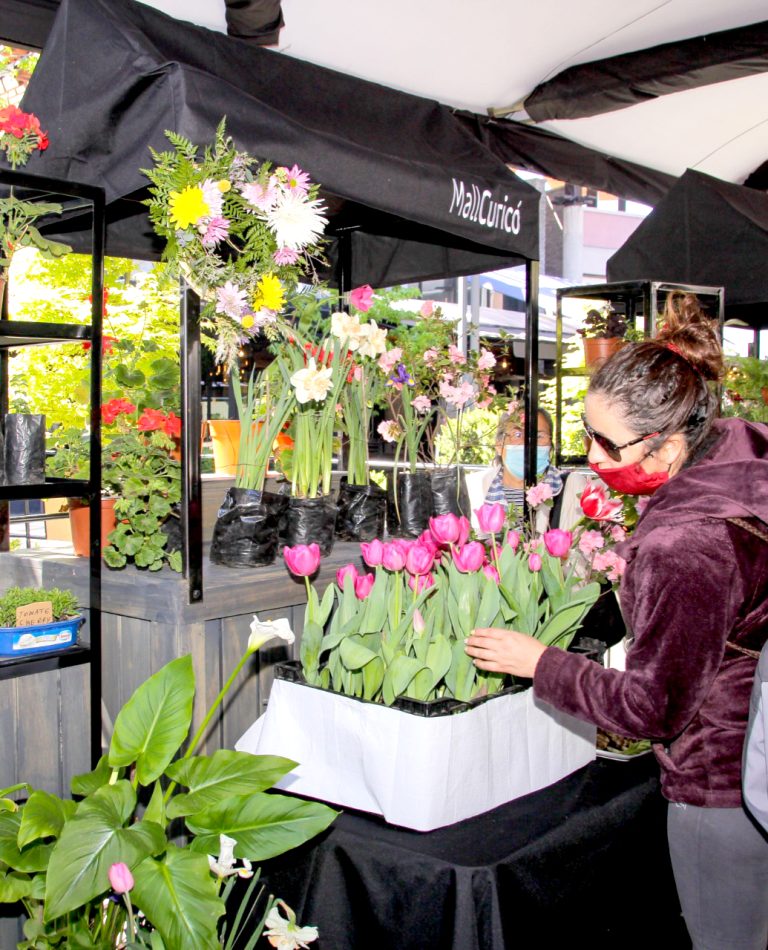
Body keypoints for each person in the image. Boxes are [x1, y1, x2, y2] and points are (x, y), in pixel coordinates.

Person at [465, 292, 768, 950]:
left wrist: (537, 662)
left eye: (608, 442)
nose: (592, 456)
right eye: (586, 433)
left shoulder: (686, 542)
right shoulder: (747, 469)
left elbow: (654, 708)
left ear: (670, 446)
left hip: (720, 790)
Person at [464, 407, 562, 533]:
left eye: (538, 436)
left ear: (550, 445)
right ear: (499, 445)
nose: (527, 444)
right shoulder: (474, 490)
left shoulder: (569, 488)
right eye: (517, 435)